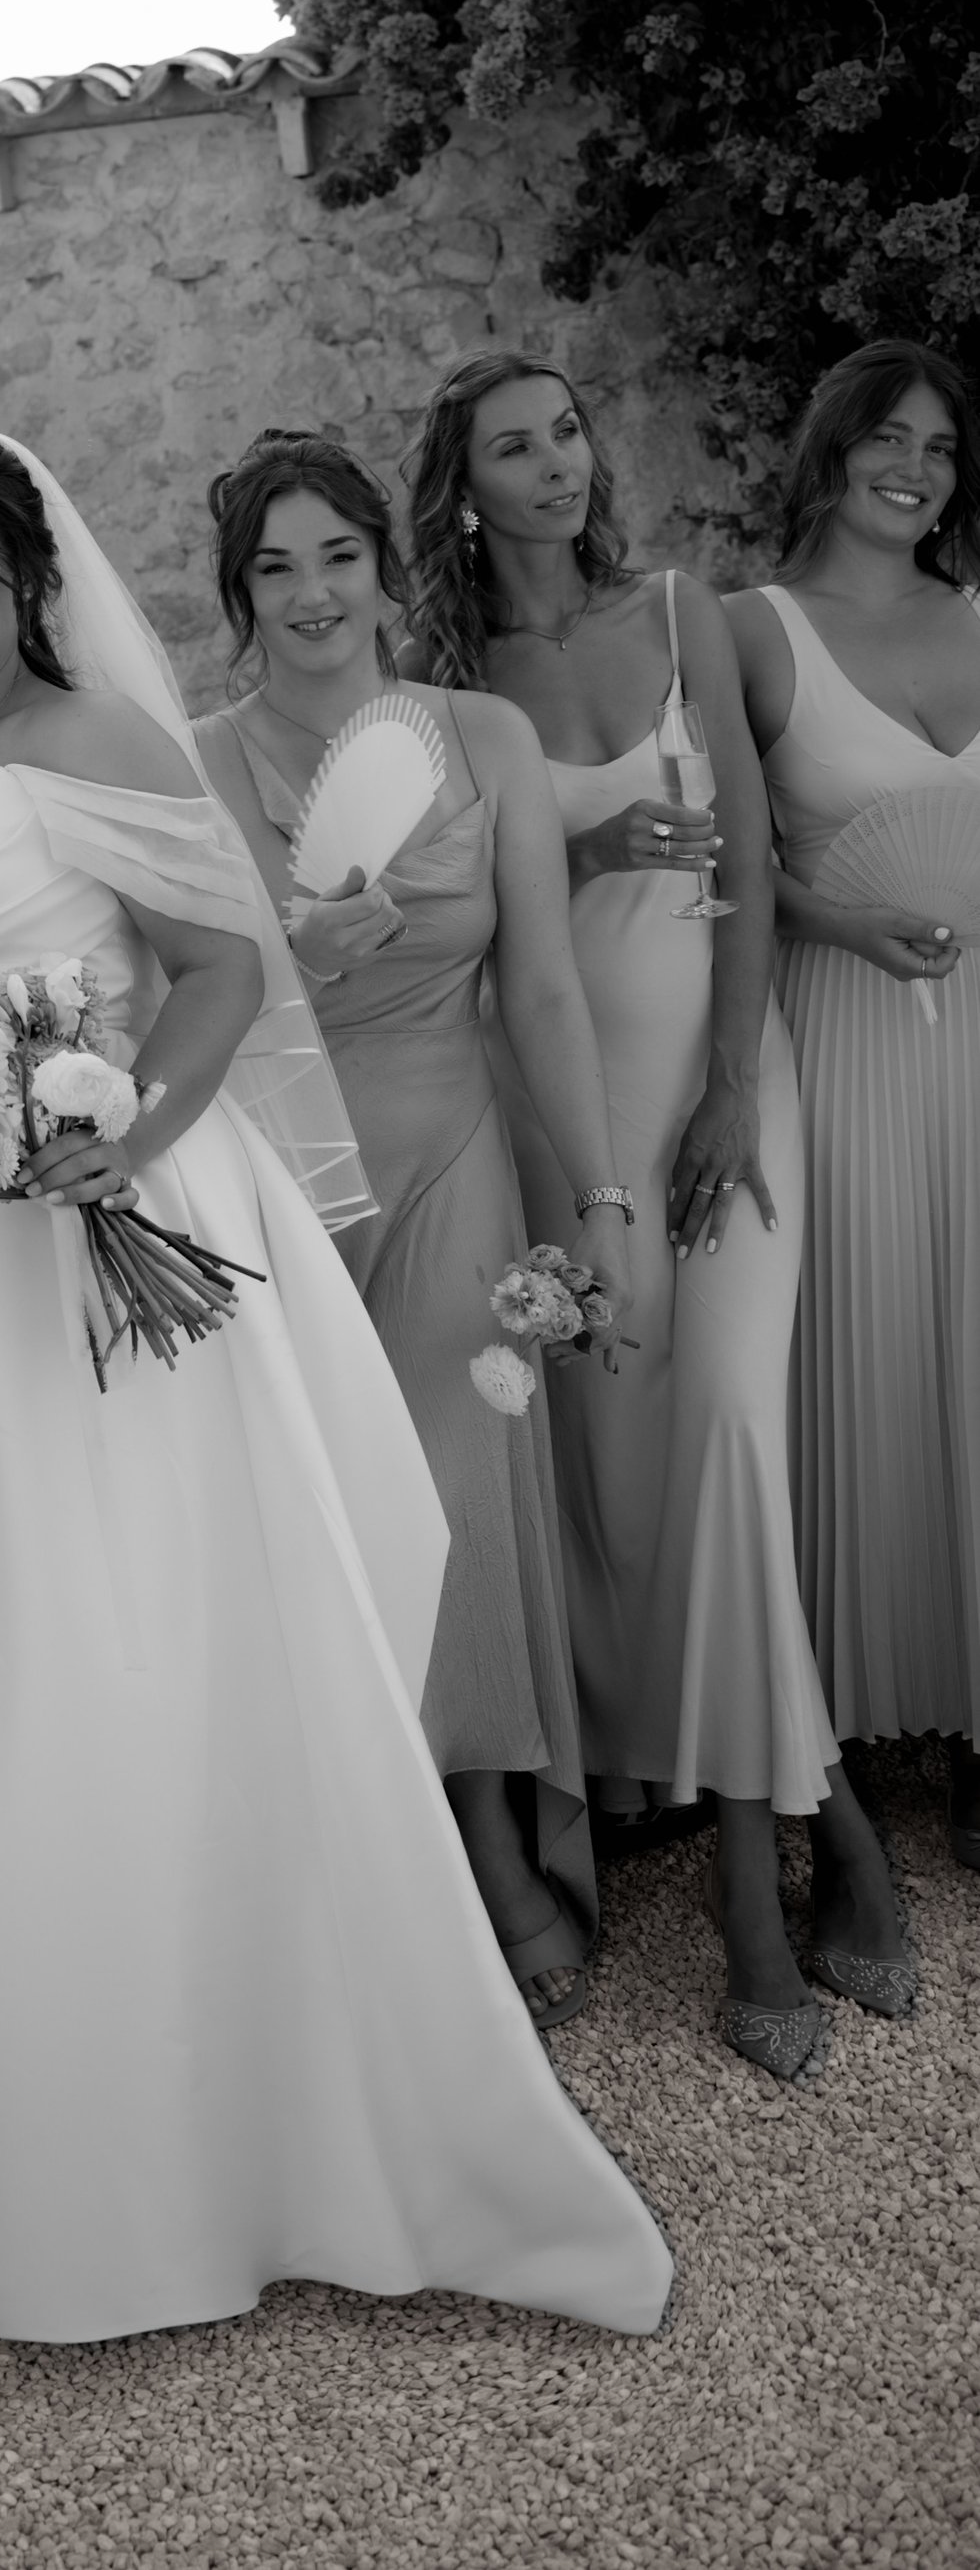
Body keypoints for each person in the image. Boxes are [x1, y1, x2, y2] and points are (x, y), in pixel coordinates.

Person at [0, 428, 672, 2343]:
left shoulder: (104, 748)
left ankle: (202, 2127)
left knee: (129, 1650)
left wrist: (116, 1134)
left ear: (28, 583)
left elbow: (225, 980)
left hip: (97, 1234)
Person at [409, 350, 904, 2081]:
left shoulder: (684, 609)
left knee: (738, 1446)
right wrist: (591, 859)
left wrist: (735, 1095)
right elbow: (448, 929)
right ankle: (827, 1822)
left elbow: (756, 865)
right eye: (513, 449)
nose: (556, 466)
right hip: (561, 1130)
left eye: (567, 430)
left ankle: (770, 1898)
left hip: (718, 1091)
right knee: (631, 1498)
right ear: (463, 488)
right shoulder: (442, 683)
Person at [193, 429, 617, 2028]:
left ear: (386, 565)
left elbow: (549, 987)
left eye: (338, 556)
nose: (313, 594)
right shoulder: (200, 761)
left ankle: (494, 1834)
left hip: (455, 1163)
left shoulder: (485, 735)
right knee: (328, 1525)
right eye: (276, 568)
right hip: (279, 1190)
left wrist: (607, 1197)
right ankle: (375, 1868)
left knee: (459, 1492)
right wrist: (287, 954)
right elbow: (181, 1008)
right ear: (242, 596)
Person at [726, 340, 980, 1885]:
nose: (918, 467)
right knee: (879, 1341)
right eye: (889, 436)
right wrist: (838, 927)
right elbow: (734, 868)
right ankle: (879, 1709)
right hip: (842, 1033)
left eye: (944, 448)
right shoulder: (754, 633)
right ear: (829, 446)